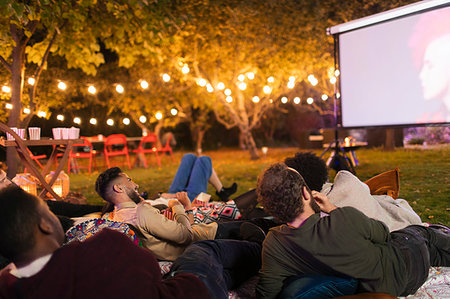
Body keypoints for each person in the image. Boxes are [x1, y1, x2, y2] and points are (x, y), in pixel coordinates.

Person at [0, 185, 262, 299]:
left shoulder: (10, 287)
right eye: (49, 213)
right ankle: (266, 248)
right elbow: (151, 269)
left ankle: (258, 250)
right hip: (193, 292)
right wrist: (181, 210)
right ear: (44, 224)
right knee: (202, 250)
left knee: (224, 272)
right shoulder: (102, 249)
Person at [255, 163, 450, 298]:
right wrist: (333, 209)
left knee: (432, 250)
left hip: (380, 287)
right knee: (421, 233)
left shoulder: (274, 244)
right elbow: (383, 233)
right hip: (406, 265)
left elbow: (267, 291)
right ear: (306, 193)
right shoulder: (343, 219)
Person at [95, 167, 266, 261]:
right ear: (119, 188)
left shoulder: (116, 215)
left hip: (200, 235)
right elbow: (186, 236)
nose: (136, 184)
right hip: (206, 237)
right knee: (261, 225)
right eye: (130, 181)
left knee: (258, 219)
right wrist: (178, 206)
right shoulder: (140, 212)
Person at [168, 153, 237, 202]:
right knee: (204, 160)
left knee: (189, 157)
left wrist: (161, 195)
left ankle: (222, 191)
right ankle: (222, 191)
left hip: (171, 196)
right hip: (188, 200)